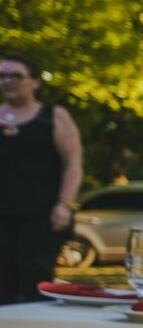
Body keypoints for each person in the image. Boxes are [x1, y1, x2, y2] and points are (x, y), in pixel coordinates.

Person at [0, 52, 83, 305]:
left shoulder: (53, 117)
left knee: (34, 282)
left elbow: (73, 164)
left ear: (35, 82)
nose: (8, 81)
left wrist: (65, 204)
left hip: (41, 217)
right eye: (3, 76)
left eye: (16, 76)